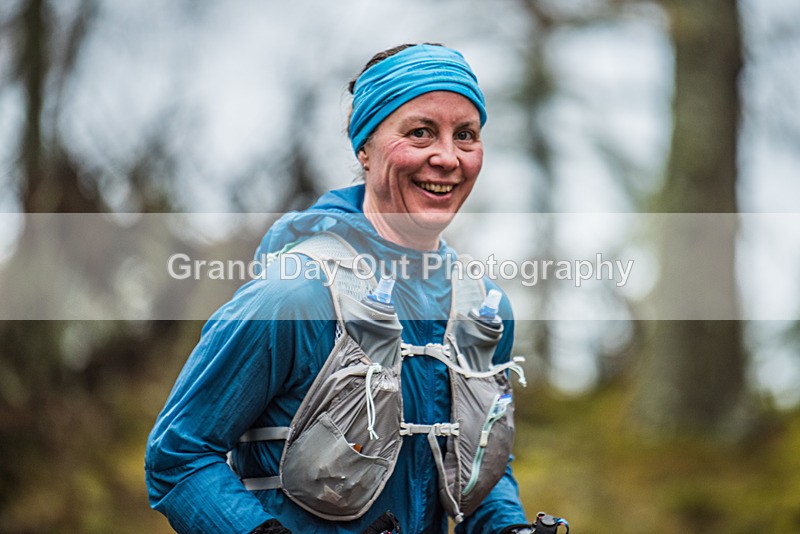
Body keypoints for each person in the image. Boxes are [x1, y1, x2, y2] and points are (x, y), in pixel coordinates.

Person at [145, 43, 539, 534]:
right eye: (419, 132)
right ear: (365, 149)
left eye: (465, 135)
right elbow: (178, 455)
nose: (446, 157)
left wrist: (508, 527)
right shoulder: (294, 297)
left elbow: (474, 465)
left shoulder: (483, 311)